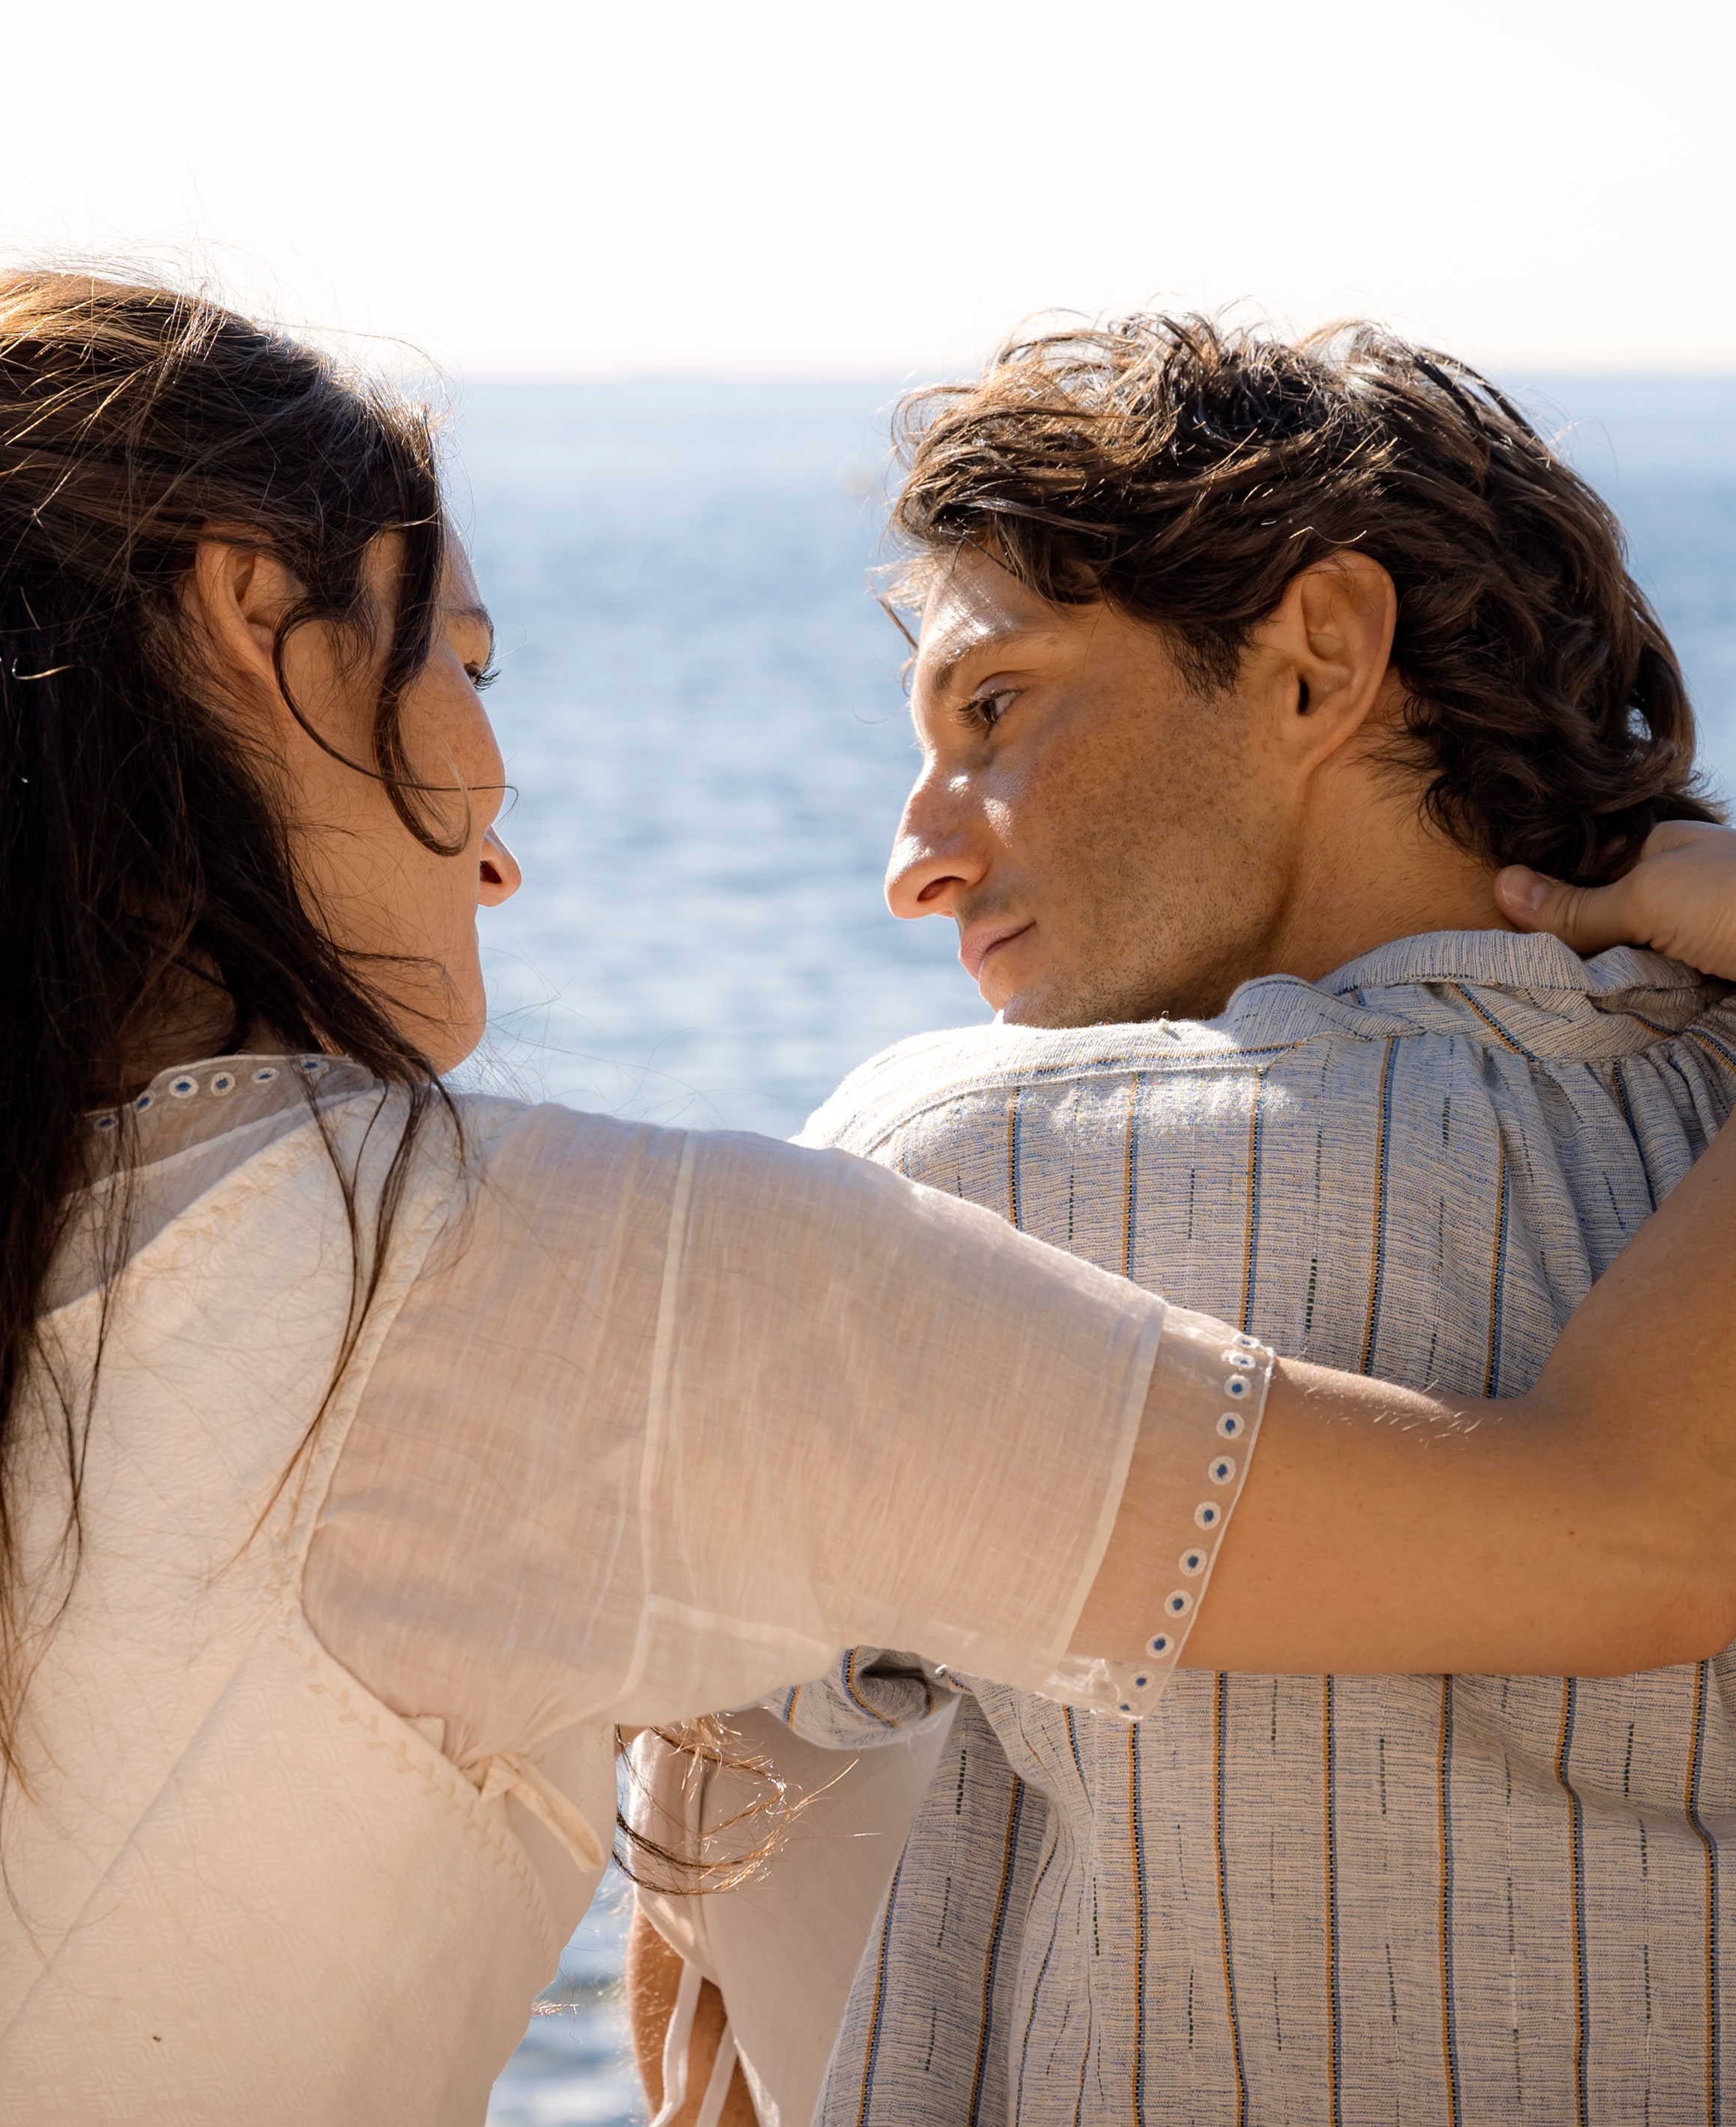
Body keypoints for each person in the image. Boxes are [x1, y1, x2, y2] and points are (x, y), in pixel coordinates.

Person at [0, 275, 1732, 2127]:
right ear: (259, 630)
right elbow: (1625, 1525)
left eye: (991, 706)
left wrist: (698, 1803)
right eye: (465, 666)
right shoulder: (555, 1282)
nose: (501, 817)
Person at [627, 317, 1736, 2127]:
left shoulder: (978, 1166)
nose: (914, 855)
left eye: (993, 709)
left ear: (1315, 661)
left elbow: (701, 1875)